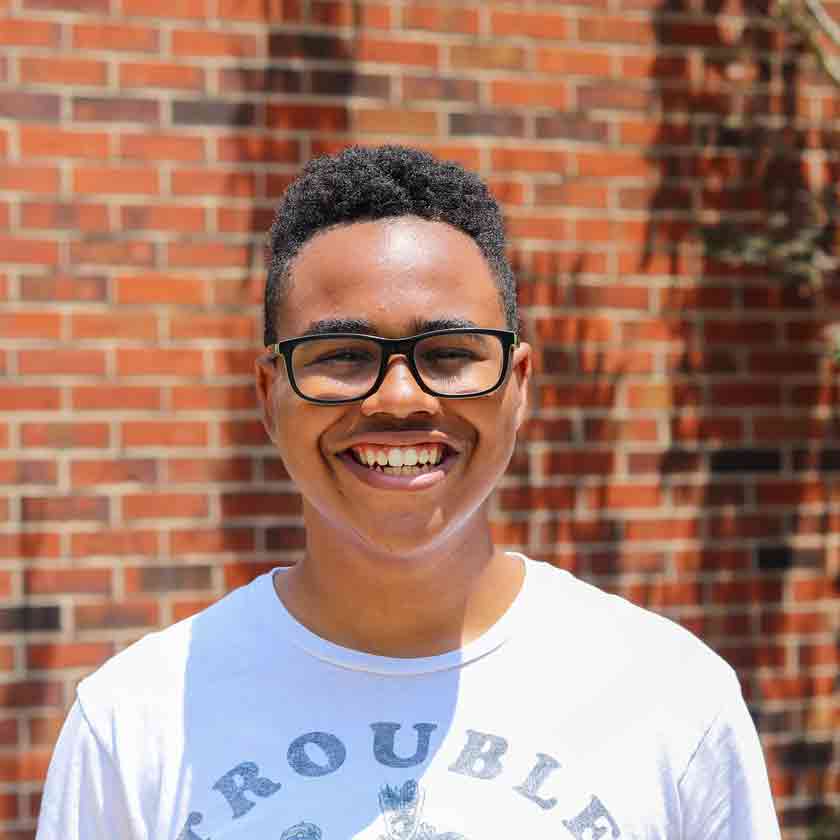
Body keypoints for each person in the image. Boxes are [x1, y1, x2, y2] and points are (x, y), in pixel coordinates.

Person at [36, 145, 781, 839]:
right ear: (269, 396)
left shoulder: (673, 702)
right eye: (343, 355)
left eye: (451, 353)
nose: (399, 398)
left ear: (518, 388)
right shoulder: (134, 724)